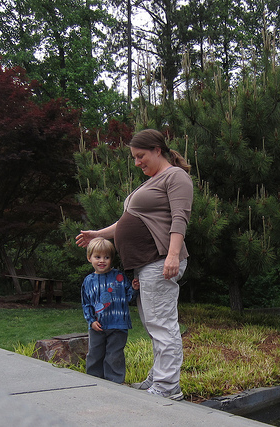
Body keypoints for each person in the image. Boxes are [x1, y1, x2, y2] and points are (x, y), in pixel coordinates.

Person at [76, 129, 193, 401]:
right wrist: (98, 234)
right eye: (134, 158)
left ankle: (167, 387)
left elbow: (180, 218)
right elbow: (126, 221)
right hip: (146, 263)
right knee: (153, 325)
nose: (137, 162)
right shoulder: (153, 181)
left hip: (160, 259)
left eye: (141, 156)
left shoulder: (175, 176)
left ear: (157, 150)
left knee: (162, 324)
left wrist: (173, 255)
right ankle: (158, 377)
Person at [81, 237, 139, 384]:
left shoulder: (119, 277)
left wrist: (134, 288)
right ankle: (94, 382)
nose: (102, 261)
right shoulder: (88, 281)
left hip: (118, 325)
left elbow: (128, 297)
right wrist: (91, 321)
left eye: (106, 257)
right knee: (94, 355)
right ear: (89, 258)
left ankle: (114, 383)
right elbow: (86, 303)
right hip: (97, 326)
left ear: (111, 259)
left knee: (114, 356)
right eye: (97, 257)